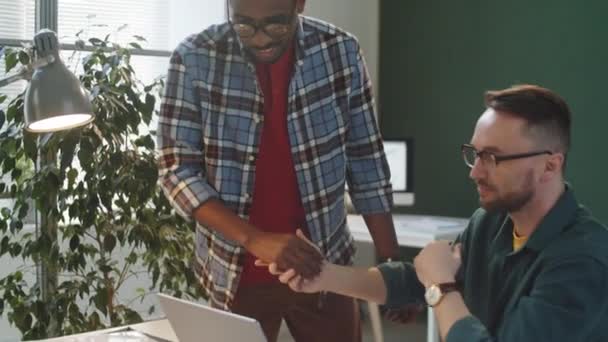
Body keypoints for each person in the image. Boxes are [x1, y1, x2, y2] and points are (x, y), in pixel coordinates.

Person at [262, 85, 608, 341]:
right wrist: (324, 276)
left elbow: (436, 282)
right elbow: (415, 280)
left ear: (550, 165)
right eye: (475, 153)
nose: (475, 172)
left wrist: (441, 287)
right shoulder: (490, 223)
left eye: (494, 158)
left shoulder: (583, 260)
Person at [156, 0, 400, 341]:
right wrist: (255, 239)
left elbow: (366, 161)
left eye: (276, 25)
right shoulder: (194, 57)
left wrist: (392, 264)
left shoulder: (339, 52)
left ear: (299, 4)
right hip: (235, 273)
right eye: (243, 24)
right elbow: (176, 170)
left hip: (327, 267)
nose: (259, 39)